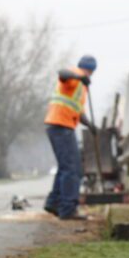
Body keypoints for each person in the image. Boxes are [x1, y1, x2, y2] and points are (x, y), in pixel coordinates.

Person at [43, 55, 98, 220]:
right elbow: (62, 73)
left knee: (65, 167)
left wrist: (90, 125)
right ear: (91, 70)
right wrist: (80, 76)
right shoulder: (75, 75)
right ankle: (67, 209)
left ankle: (54, 203)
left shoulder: (80, 86)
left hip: (60, 125)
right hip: (61, 126)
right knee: (73, 169)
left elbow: (78, 110)